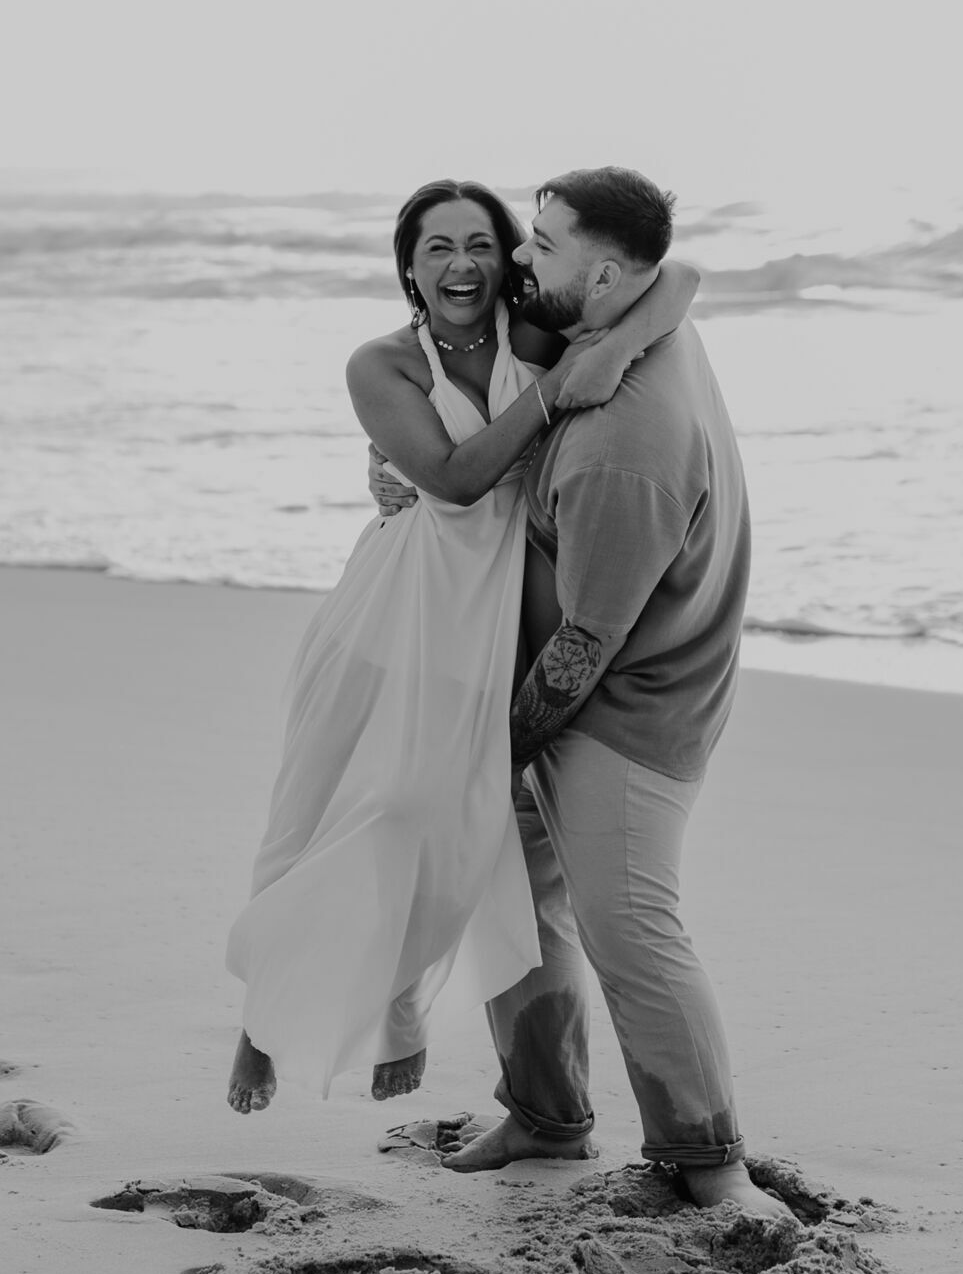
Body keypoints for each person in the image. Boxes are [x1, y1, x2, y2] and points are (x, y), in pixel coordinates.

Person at [225, 179, 697, 1115]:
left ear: (508, 253)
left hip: (486, 621)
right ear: (408, 264)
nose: (462, 266)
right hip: (394, 607)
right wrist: (565, 386)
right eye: (437, 248)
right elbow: (450, 480)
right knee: (320, 814)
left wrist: (621, 350)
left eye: (481, 244)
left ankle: (399, 1005)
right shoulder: (382, 365)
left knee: (438, 820)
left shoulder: (533, 330)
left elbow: (675, 275)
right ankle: (261, 1021)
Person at [374, 166, 784, 1217]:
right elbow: (679, 269)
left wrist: (490, 747)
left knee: (628, 922)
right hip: (552, 690)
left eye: (540, 246)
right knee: (521, 897)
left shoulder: (620, 447)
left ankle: (710, 1158)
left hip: (622, 711)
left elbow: (588, 644)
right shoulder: (640, 313)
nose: (516, 258)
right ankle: (548, 1115)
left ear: (603, 277)